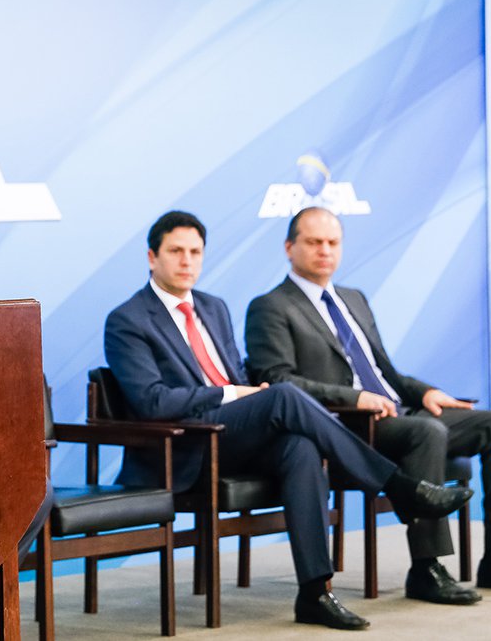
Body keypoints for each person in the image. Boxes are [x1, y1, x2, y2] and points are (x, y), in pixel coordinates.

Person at [104, 210, 472, 630]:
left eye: (195, 252)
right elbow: (151, 402)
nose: (186, 261)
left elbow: (239, 374)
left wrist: (246, 393)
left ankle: (315, 592)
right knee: (282, 395)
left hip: (237, 433)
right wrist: (233, 394)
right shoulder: (128, 320)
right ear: (152, 257)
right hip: (189, 445)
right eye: (175, 252)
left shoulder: (213, 307)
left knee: (301, 447)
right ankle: (397, 486)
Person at [244, 206, 491, 607]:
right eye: (313, 242)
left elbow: (384, 371)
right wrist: (353, 398)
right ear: (289, 247)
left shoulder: (352, 299)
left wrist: (424, 392)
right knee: (426, 431)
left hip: (396, 412)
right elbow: (278, 379)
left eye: (333, 242)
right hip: (345, 426)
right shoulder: (270, 306)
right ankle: (427, 569)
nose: (325, 250)